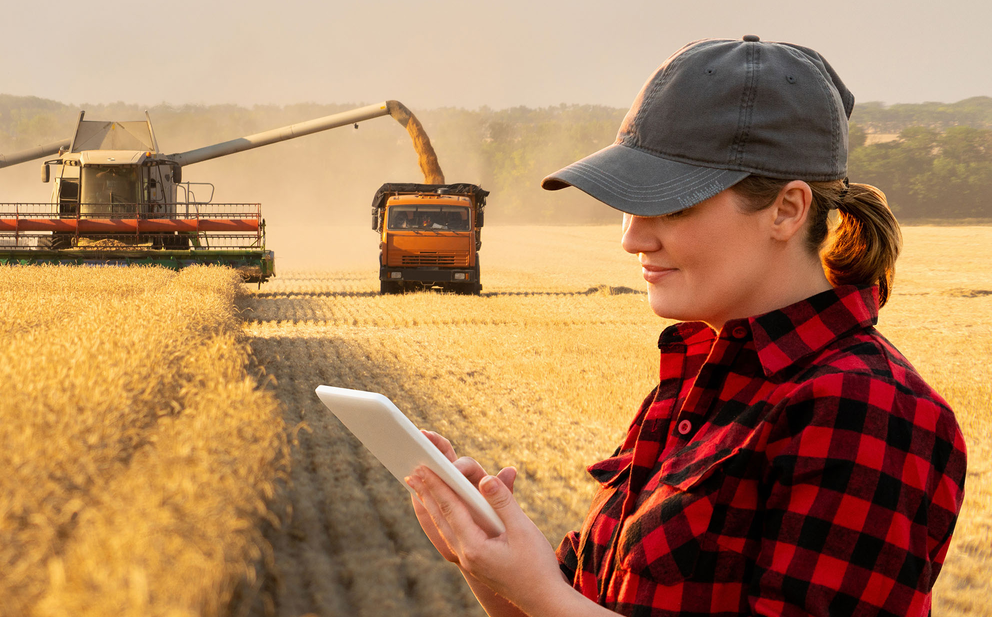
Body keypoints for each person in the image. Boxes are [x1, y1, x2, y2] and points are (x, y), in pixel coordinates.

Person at [406, 36, 966, 617]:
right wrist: (485, 558)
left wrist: (540, 592)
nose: (631, 238)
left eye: (671, 207)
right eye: (628, 205)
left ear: (787, 209)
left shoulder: (866, 407)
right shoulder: (700, 382)